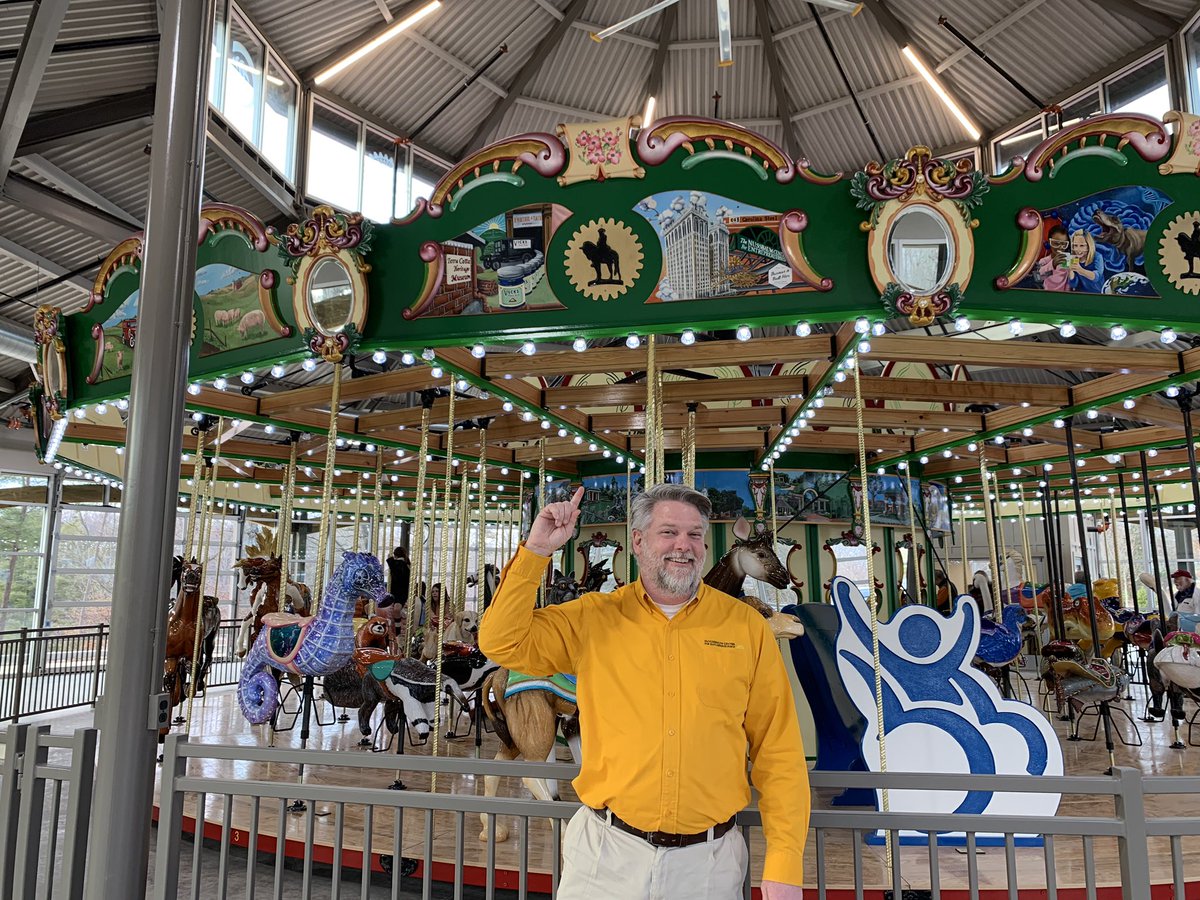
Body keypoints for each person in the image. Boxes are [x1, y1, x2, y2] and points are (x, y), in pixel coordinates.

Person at [478, 483, 809, 900]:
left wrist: (784, 864)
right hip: (605, 855)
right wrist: (536, 553)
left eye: (694, 535)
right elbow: (501, 642)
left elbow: (778, 753)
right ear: (637, 541)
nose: (683, 546)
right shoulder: (592, 618)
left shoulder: (745, 627)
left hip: (708, 865)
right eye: (668, 532)